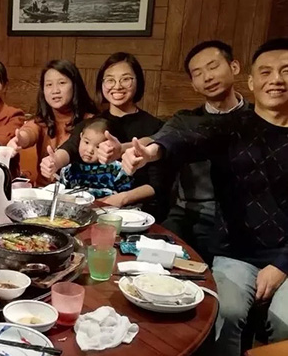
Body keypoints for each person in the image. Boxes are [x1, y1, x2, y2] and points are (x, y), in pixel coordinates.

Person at [121, 38, 288, 356]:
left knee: (284, 321)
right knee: (223, 310)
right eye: (266, 72)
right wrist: (151, 152)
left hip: (285, 257)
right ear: (252, 80)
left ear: (233, 71)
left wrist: (282, 264)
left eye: (286, 71)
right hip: (235, 251)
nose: (276, 80)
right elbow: (183, 135)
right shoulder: (230, 126)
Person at [100, 41, 250, 262]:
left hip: (238, 223)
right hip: (188, 216)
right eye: (198, 73)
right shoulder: (186, 120)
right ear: (193, 84)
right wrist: (139, 152)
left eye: (213, 67)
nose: (207, 77)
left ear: (234, 67)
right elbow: (161, 140)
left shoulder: (258, 120)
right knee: (142, 259)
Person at [43, 52, 167, 216]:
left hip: (136, 214)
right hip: (89, 211)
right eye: (110, 80)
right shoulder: (92, 123)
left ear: (138, 81)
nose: (117, 86)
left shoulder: (155, 127)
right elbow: (70, 148)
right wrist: (54, 162)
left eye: (126, 79)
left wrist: (121, 199)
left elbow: (159, 184)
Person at [8, 59, 97, 186]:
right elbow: (30, 131)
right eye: (49, 84)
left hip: (78, 192)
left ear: (75, 85)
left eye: (62, 83)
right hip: (44, 192)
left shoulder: (91, 122)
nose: (55, 90)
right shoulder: (42, 121)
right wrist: (20, 140)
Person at [58, 117, 133, 198]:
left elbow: (126, 195)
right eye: (86, 142)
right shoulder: (69, 170)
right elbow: (61, 194)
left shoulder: (116, 169)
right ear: (81, 137)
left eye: (97, 146)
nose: (90, 150)